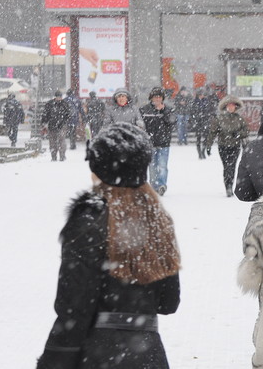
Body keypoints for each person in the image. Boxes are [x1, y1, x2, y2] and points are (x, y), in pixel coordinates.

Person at [36, 123, 181, 368]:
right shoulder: (156, 219)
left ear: (100, 169)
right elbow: (168, 302)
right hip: (148, 353)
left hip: (99, 353)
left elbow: (73, 305)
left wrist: (54, 359)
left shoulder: (89, 221)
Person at [205, 95, 248, 197]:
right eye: (229, 105)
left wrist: (238, 134)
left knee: (232, 166)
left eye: (232, 105)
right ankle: (227, 185)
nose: (231, 107)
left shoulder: (240, 119)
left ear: (235, 107)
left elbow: (246, 131)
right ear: (225, 107)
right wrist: (208, 145)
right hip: (223, 146)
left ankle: (230, 185)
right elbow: (213, 132)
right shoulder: (219, 119)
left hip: (235, 146)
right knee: (226, 167)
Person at [140, 87, 176, 196]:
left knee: (162, 165)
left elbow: (172, 122)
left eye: (160, 97)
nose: (157, 99)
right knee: (152, 166)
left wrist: (163, 111)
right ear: (151, 98)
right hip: (150, 142)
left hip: (164, 143)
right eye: (155, 97)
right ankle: (154, 186)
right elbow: (141, 124)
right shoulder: (144, 109)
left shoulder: (169, 109)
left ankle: (162, 185)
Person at [42, 90, 71, 162]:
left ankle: (62, 156)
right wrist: (44, 123)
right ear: (55, 97)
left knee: (61, 140)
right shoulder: (50, 104)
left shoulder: (64, 104)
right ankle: (54, 156)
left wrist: (65, 122)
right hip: (52, 125)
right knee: (53, 141)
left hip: (62, 125)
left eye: (60, 97)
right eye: (58, 97)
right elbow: (45, 114)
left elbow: (68, 115)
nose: (59, 98)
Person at [190, 89, 215, 159]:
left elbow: (210, 110)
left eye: (203, 94)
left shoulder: (206, 101)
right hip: (198, 122)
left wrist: (208, 116)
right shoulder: (194, 102)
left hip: (205, 122)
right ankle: (199, 153)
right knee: (198, 138)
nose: (202, 95)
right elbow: (192, 112)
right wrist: (195, 119)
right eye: (201, 94)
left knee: (206, 138)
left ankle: (203, 151)